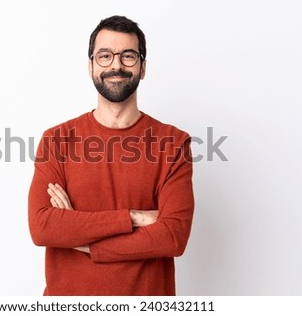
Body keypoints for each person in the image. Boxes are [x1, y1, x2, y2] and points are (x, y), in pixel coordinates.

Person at [28, 15, 194, 296]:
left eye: (128, 56)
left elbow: (173, 237)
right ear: (90, 66)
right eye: (105, 56)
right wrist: (133, 218)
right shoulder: (56, 140)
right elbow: (43, 227)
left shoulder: (174, 143)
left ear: (143, 67)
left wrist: (85, 241)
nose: (116, 64)